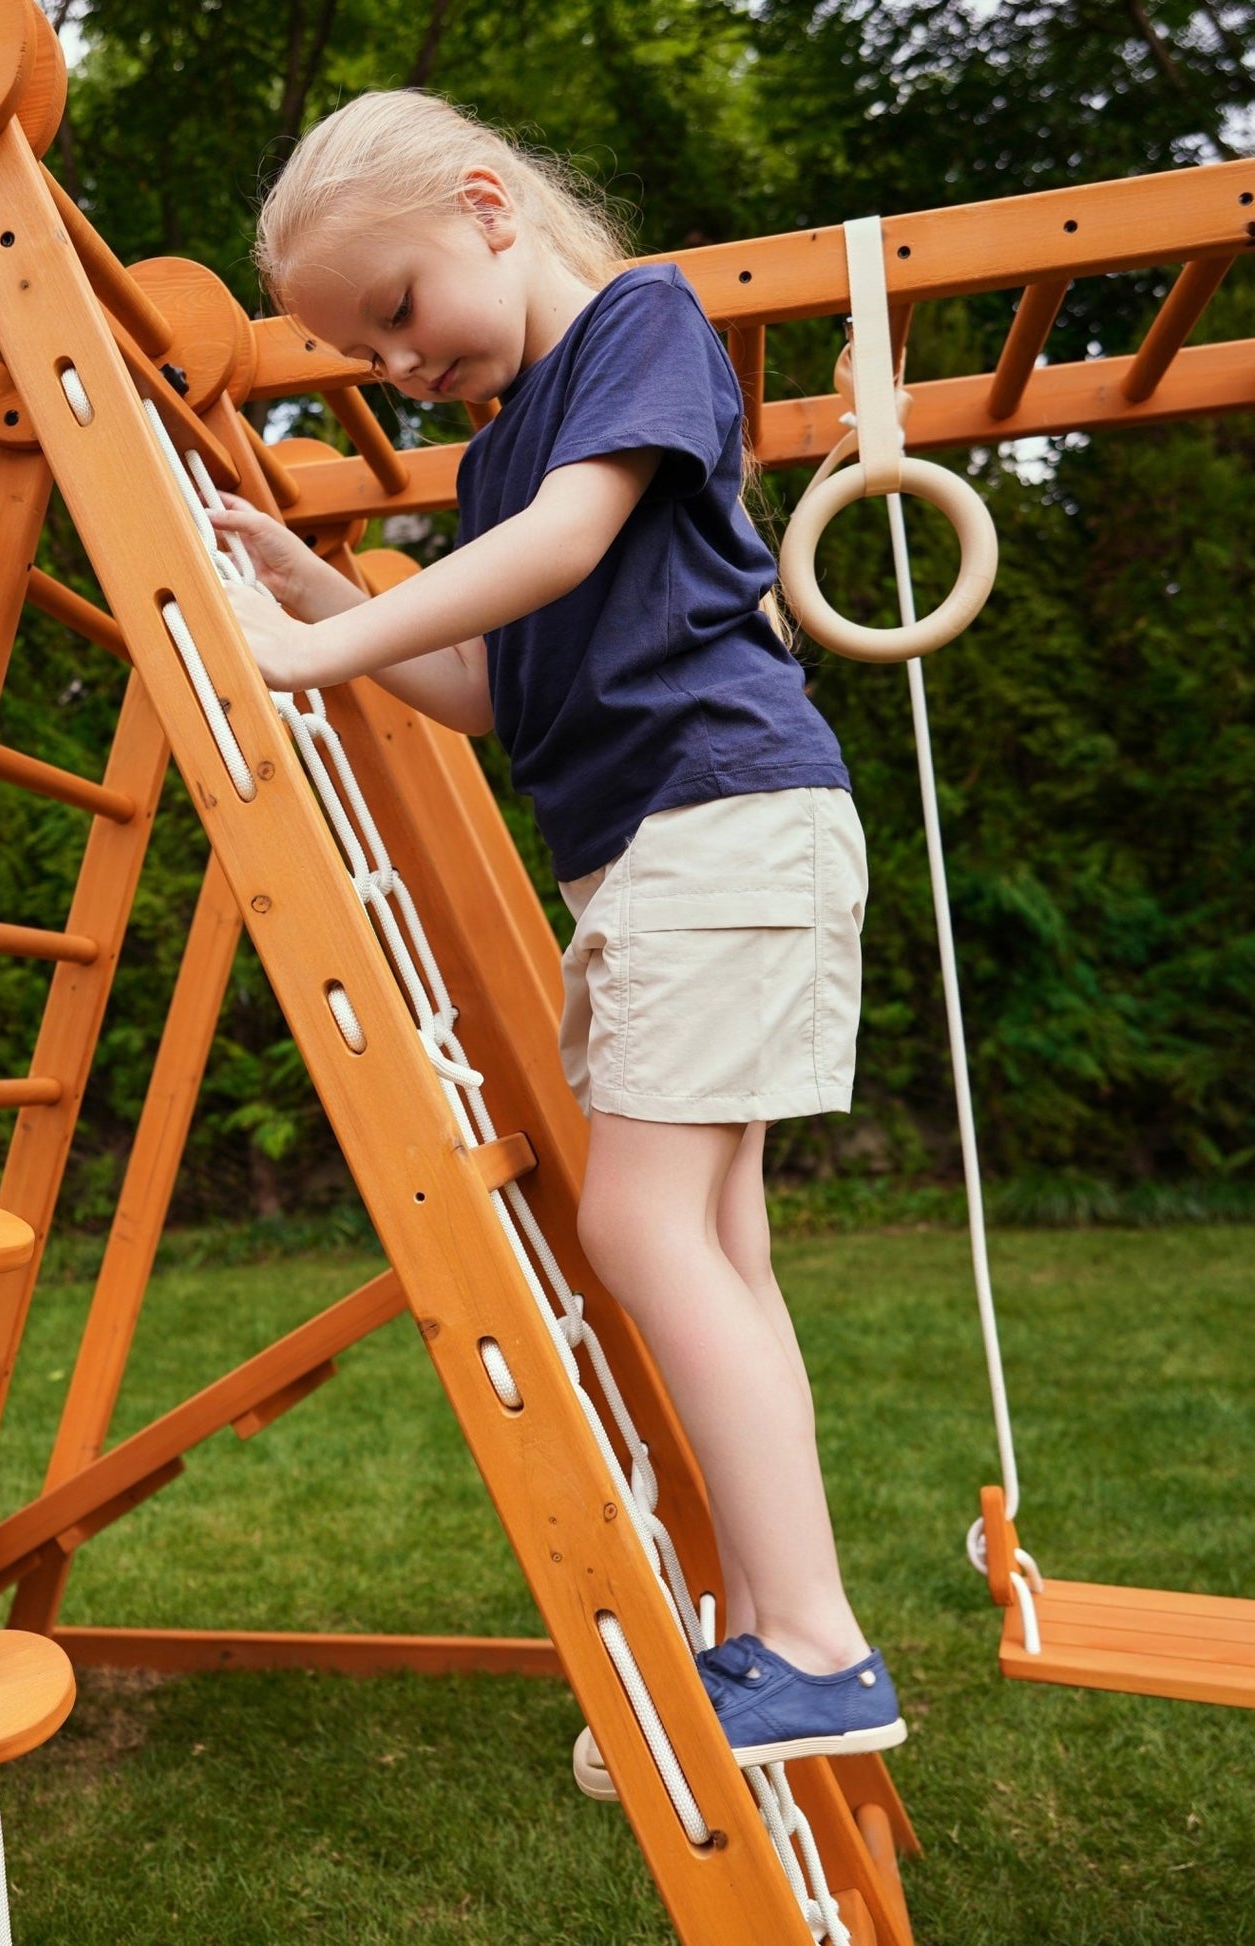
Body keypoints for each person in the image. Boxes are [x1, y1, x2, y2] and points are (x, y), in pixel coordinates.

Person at [213, 90, 903, 1778]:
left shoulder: (634, 323)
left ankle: (812, 1643)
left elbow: (572, 544)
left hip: (719, 821)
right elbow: (478, 690)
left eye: (397, 310)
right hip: (658, 858)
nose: (399, 363)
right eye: (363, 354)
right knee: (711, 1241)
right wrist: (332, 603)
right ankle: (779, 1625)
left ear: (487, 206)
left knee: (641, 1218)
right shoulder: (492, 453)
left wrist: (303, 655)